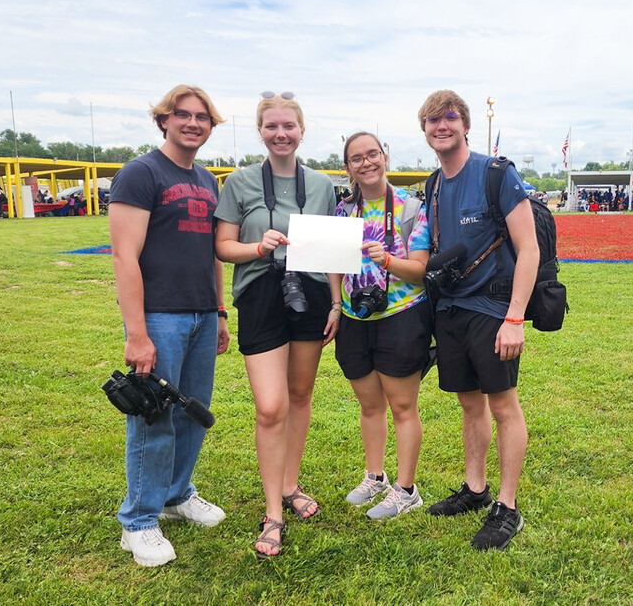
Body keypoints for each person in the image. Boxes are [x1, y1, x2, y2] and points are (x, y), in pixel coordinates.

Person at [214, 91, 341, 559]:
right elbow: (223, 246)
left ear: (302, 131)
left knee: (301, 394)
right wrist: (257, 248)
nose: (281, 133)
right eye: (272, 126)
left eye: (289, 126)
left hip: (309, 294)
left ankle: (290, 484)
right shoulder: (241, 182)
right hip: (262, 292)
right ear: (260, 131)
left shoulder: (322, 185)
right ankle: (273, 512)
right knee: (271, 406)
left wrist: (334, 302)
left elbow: (331, 251)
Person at [108, 84, 230, 567]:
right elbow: (124, 256)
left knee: (190, 412)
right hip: (160, 315)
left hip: (202, 314)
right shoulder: (140, 173)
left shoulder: (207, 179)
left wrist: (219, 312)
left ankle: (177, 495)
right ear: (164, 120)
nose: (193, 123)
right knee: (152, 415)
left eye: (202, 117)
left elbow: (213, 255)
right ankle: (138, 521)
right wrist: (137, 333)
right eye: (183, 115)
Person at [417, 90, 537, 551]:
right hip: (450, 309)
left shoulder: (496, 174)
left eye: (448, 117)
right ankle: (475, 488)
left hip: (492, 309)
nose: (440, 126)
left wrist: (515, 318)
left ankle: (507, 507)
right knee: (470, 404)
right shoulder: (433, 184)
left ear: (465, 124)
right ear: (424, 131)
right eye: (431, 120)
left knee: (503, 406)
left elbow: (528, 248)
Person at [334, 131, 432, 520]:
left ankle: (406, 490)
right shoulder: (343, 211)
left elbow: (422, 271)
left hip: (401, 314)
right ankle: (375, 476)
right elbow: (335, 265)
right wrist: (333, 305)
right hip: (355, 317)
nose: (366, 162)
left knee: (403, 405)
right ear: (348, 168)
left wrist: (387, 260)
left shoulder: (411, 208)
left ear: (385, 156)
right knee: (369, 404)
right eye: (356, 158)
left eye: (372, 154)